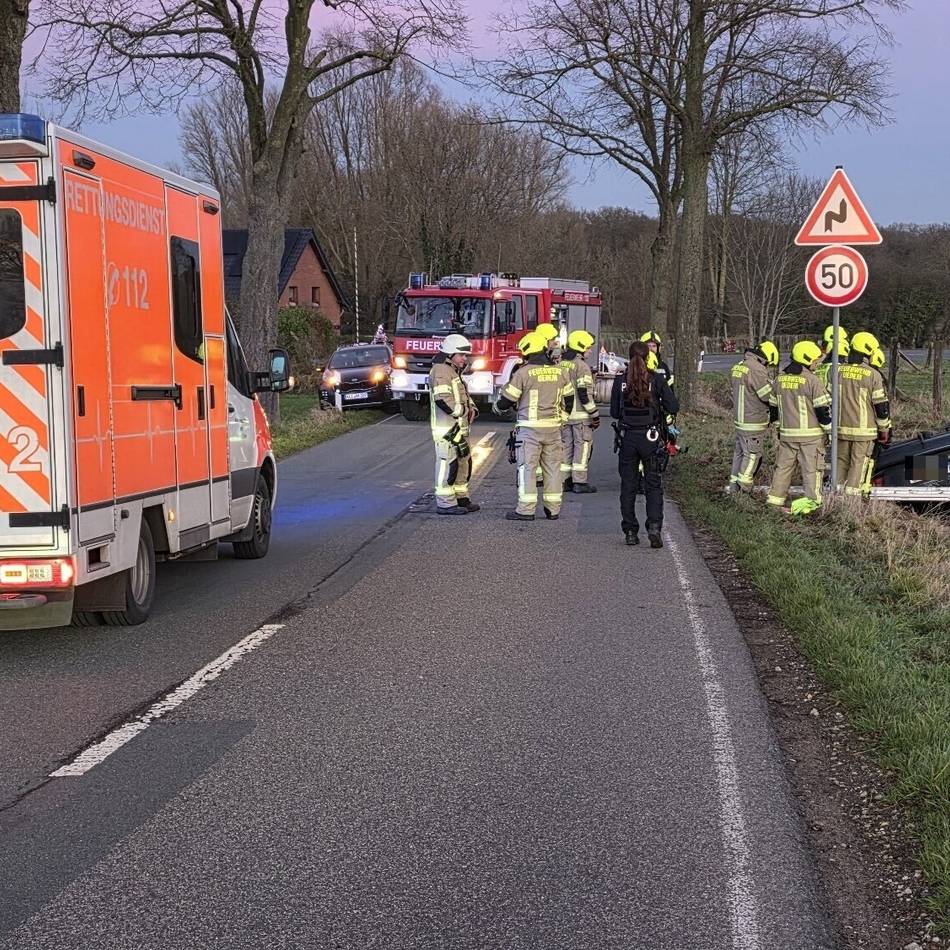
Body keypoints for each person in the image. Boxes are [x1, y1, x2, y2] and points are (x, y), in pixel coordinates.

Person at [496, 331, 574, 521]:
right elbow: (569, 399)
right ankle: (553, 509)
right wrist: (561, 418)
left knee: (528, 469)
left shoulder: (523, 373)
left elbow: (506, 401)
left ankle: (526, 509)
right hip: (554, 430)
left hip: (530, 431)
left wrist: (497, 408)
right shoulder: (560, 371)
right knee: (553, 468)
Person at [611, 341, 679, 548]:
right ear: (648, 356)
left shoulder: (621, 380)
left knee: (628, 486)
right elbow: (673, 405)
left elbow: (615, 412)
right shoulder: (656, 379)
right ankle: (654, 527)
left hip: (628, 438)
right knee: (653, 485)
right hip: (651, 438)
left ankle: (631, 531)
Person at [766, 340, 832, 514]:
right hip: (810, 437)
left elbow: (773, 408)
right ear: (807, 359)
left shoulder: (779, 379)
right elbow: (823, 412)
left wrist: (779, 427)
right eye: (815, 361)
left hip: (787, 435)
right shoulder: (812, 381)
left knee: (783, 468)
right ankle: (811, 505)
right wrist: (830, 432)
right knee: (812, 470)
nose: (816, 364)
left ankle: (774, 501)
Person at [835, 330, 891, 497]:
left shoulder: (837, 371)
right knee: (858, 464)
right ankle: (851, 503)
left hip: (840, 428)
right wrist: (884, 430)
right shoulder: (873, 375)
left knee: (841, 463)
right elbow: (881, 407)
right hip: (864, 431)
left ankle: (836, 498)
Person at [429, 334, 479, 515]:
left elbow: (462, 395)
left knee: (463, 462)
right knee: (447, 464)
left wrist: (472, 407)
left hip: (458, 428)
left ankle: (461, 498)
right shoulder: (441, 370)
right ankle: (445, 503)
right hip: (447, 429)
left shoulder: (453, 371)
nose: (464, 359)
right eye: (462, 355)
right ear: (450, 353)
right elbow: (443, 399)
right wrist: (464, 411)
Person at [726, 341, 779, 494]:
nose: (768, 367)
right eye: (768, 364)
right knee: (752, 455)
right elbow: (766, 395)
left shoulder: (740, 365)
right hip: (753, 420)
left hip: (740, 419)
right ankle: (744, 488)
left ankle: (734, 487)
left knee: (740, 453)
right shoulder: (756, 369)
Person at [561, 330, 601, 493]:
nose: (590, 351)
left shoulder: (561, 363)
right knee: (582, 447)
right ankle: (580, 482)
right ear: (580, 347)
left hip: (564, 415)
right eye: (589, 347)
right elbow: (584, 394)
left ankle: (564, 480)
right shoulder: (582, 366)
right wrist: (595, 414)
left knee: (566, 447)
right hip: (580, 416)